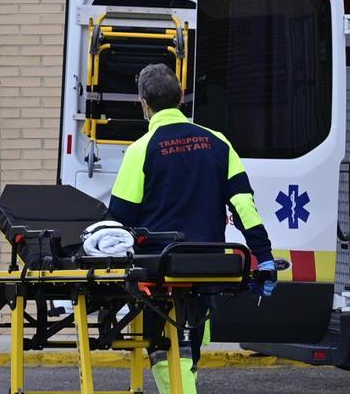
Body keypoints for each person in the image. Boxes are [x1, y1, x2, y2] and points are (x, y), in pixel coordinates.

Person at [108, 63, 277, 394]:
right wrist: (264, 256)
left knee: (162, 347)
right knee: (189, 344)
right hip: (208, 264)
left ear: (144, 103)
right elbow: (244, 206)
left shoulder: (141, 150)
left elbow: (119, 219)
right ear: (181, 97)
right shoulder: (218, 142)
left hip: (159, 269)